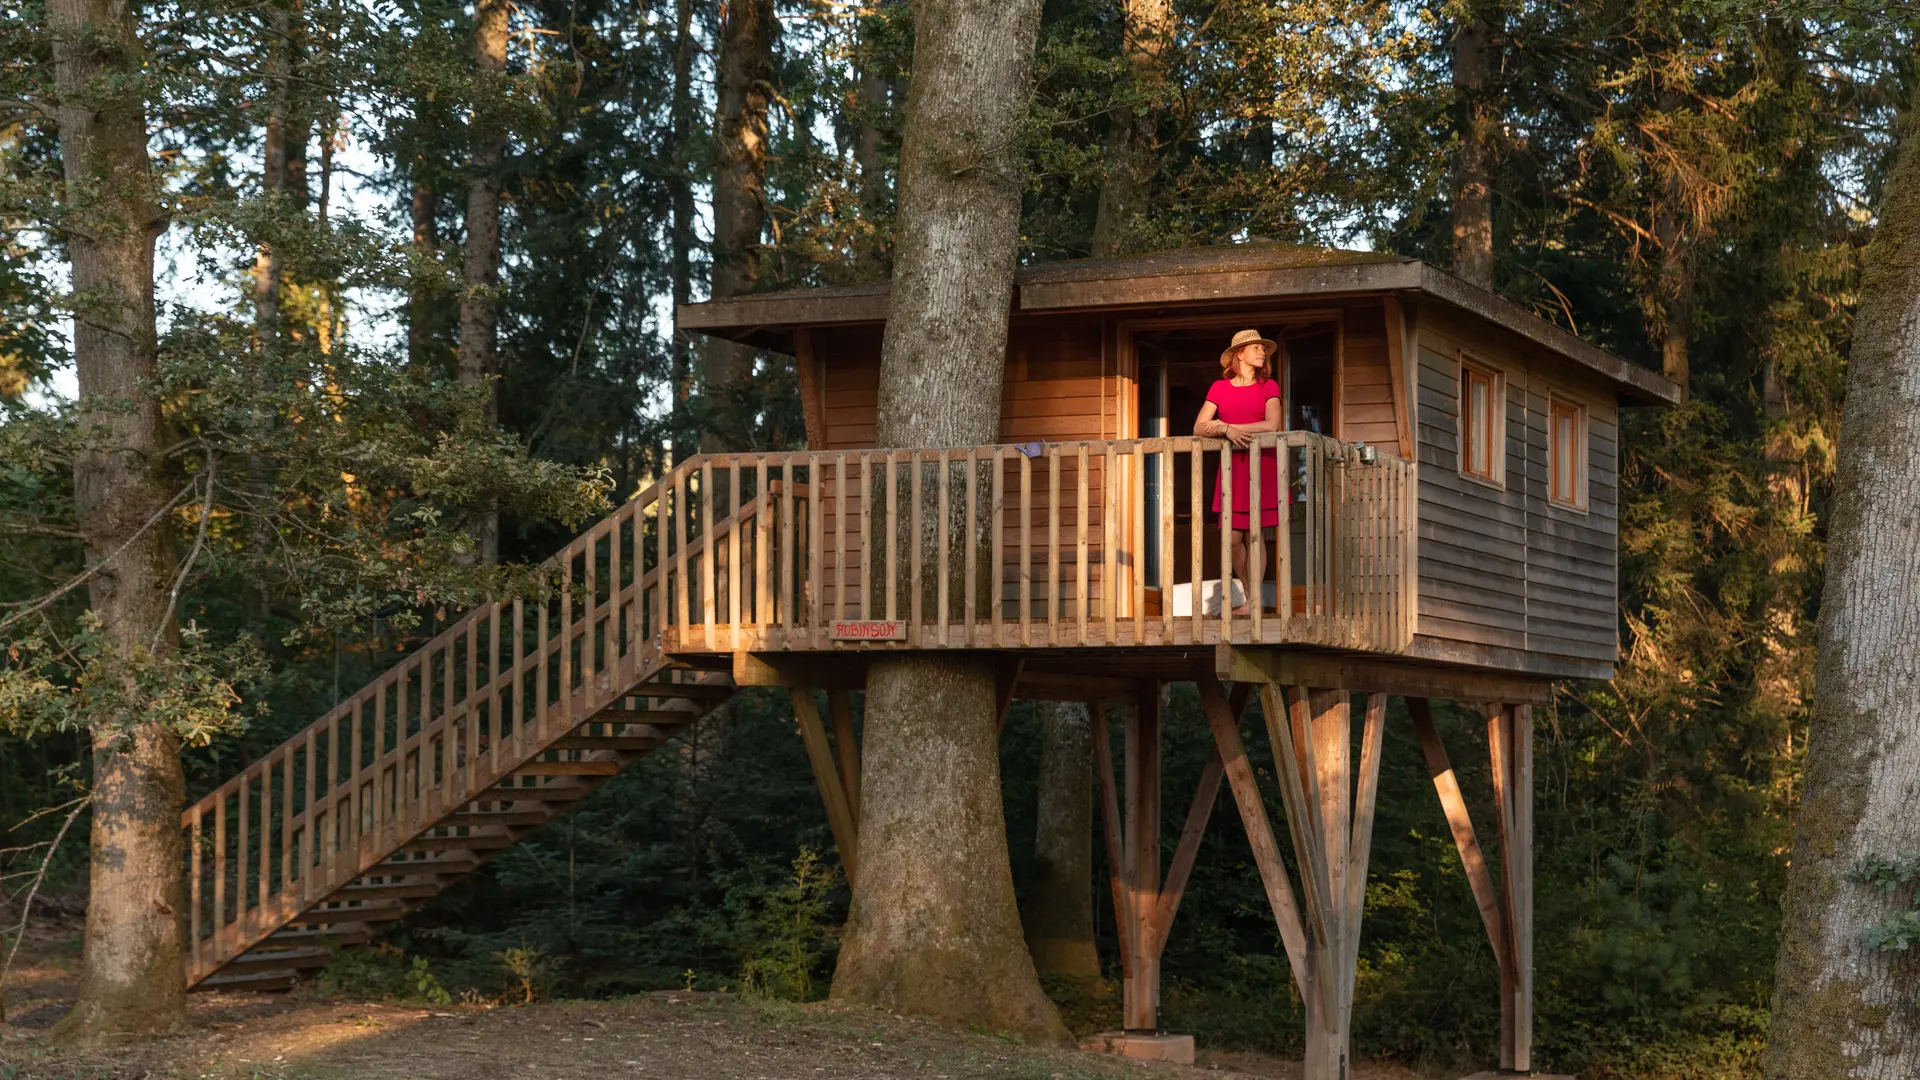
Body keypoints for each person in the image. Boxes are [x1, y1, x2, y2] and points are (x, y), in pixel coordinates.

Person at [1193, 328, 1283, 615]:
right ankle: (1250, 595)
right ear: (1239, 355)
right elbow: (1199, 426)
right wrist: (1224, 428)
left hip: (1262, 465)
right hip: (1232, 468)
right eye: (1255, 347)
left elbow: (1272, 426)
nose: (1262, 352)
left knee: (1255, 534)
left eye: (1263, 349)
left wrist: (1229, 429)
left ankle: (1253, 603)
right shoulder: (1220, 388)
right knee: (1232, 538)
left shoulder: (1269, 386)